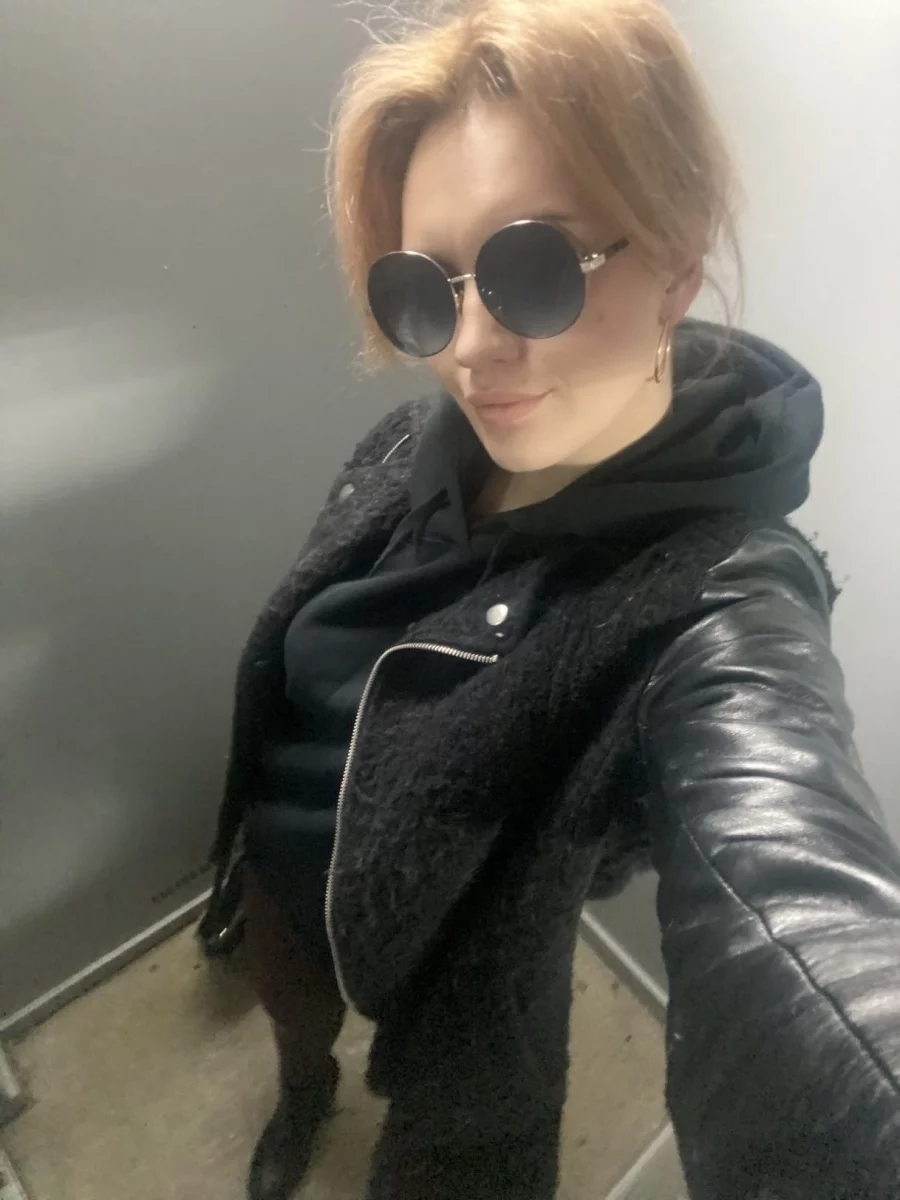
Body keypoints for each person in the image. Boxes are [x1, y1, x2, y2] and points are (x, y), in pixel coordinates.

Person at [197, 0, 900, 1196]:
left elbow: (794, 901)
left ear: (675, 261)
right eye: (426, 287)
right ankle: (303, 1092)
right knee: (291, 1017)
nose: (469, 351)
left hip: (443, 992)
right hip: (275, 862)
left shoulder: (713, 599)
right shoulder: (408, 444)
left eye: (533, 269)